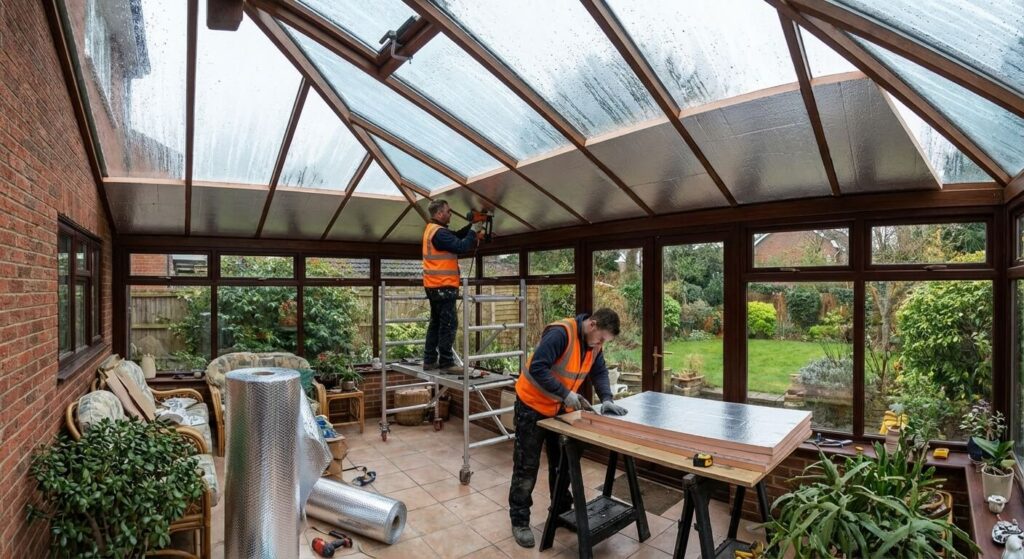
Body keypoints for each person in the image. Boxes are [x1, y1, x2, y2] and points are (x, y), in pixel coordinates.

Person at [508, 309, 628, 548]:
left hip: (559, 408)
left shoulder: (594, 344)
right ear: (592, 324)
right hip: (532, 406)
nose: (601, 344)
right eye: (601, 338)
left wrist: (606, 398)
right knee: (527, 466)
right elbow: (538, 368)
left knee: (562, 463)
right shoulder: (560, 334)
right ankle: (520, 521)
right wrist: (565, 393)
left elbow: (599, 370)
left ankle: (561, 512)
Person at [421, 199, 483, 372]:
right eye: (448, 211)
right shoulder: (439, 233)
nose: (450, 214)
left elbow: (454, 236)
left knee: (436, 323)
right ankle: (447, 362)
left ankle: (429, 360)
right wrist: (473, 230)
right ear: (439, 213)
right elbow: (460, 246)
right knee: (448, 323)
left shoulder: (433, 230)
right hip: (443, 286)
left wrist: (472, 226)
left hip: (434, 286)